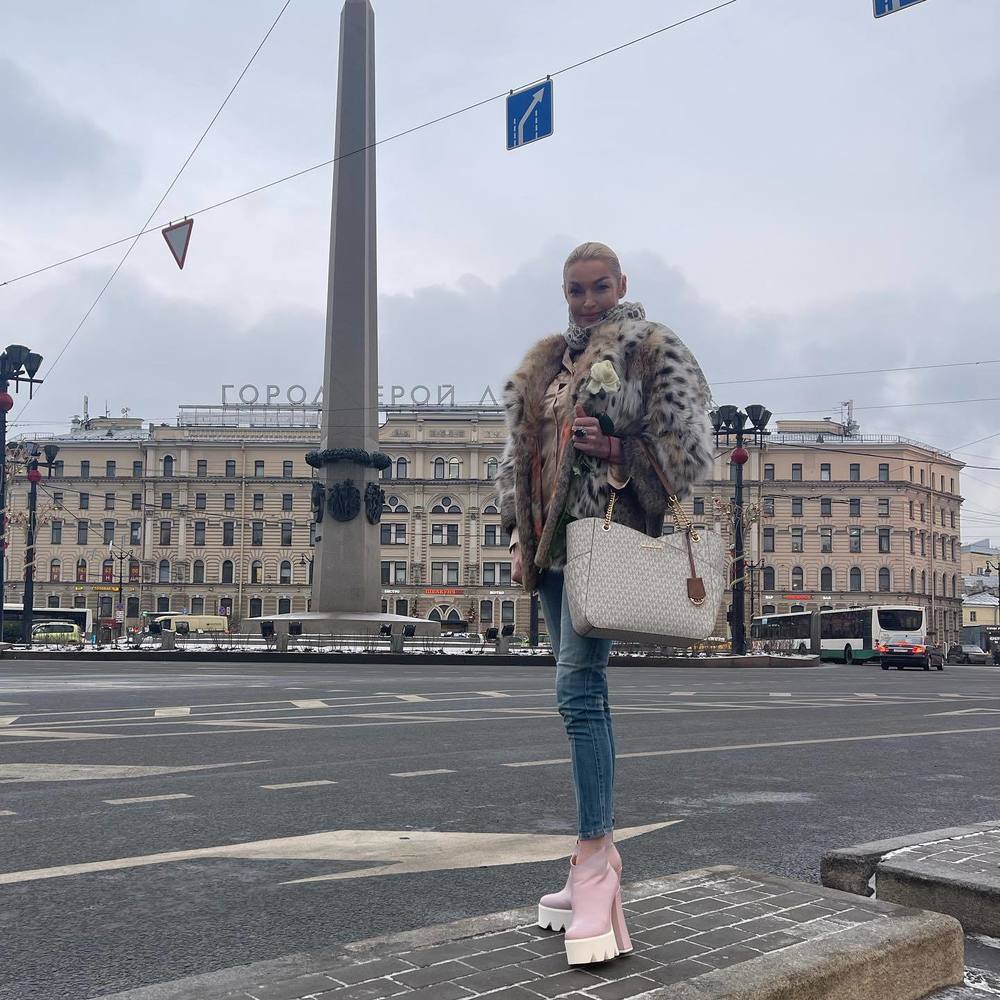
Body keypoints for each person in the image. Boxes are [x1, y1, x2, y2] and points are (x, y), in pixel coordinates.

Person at [495, 242, 713, 965]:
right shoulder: (549, 362)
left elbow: (691, 449)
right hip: (552, 551)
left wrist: (619, 449)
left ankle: (594, 863)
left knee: (579, 693)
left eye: (598, 288)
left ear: (621, 285)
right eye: (575, 290)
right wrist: (518, 534)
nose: (587, 301)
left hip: (606, 538)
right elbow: (519, 458)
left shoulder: (651, 347)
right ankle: (592, 861)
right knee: (579, 695)